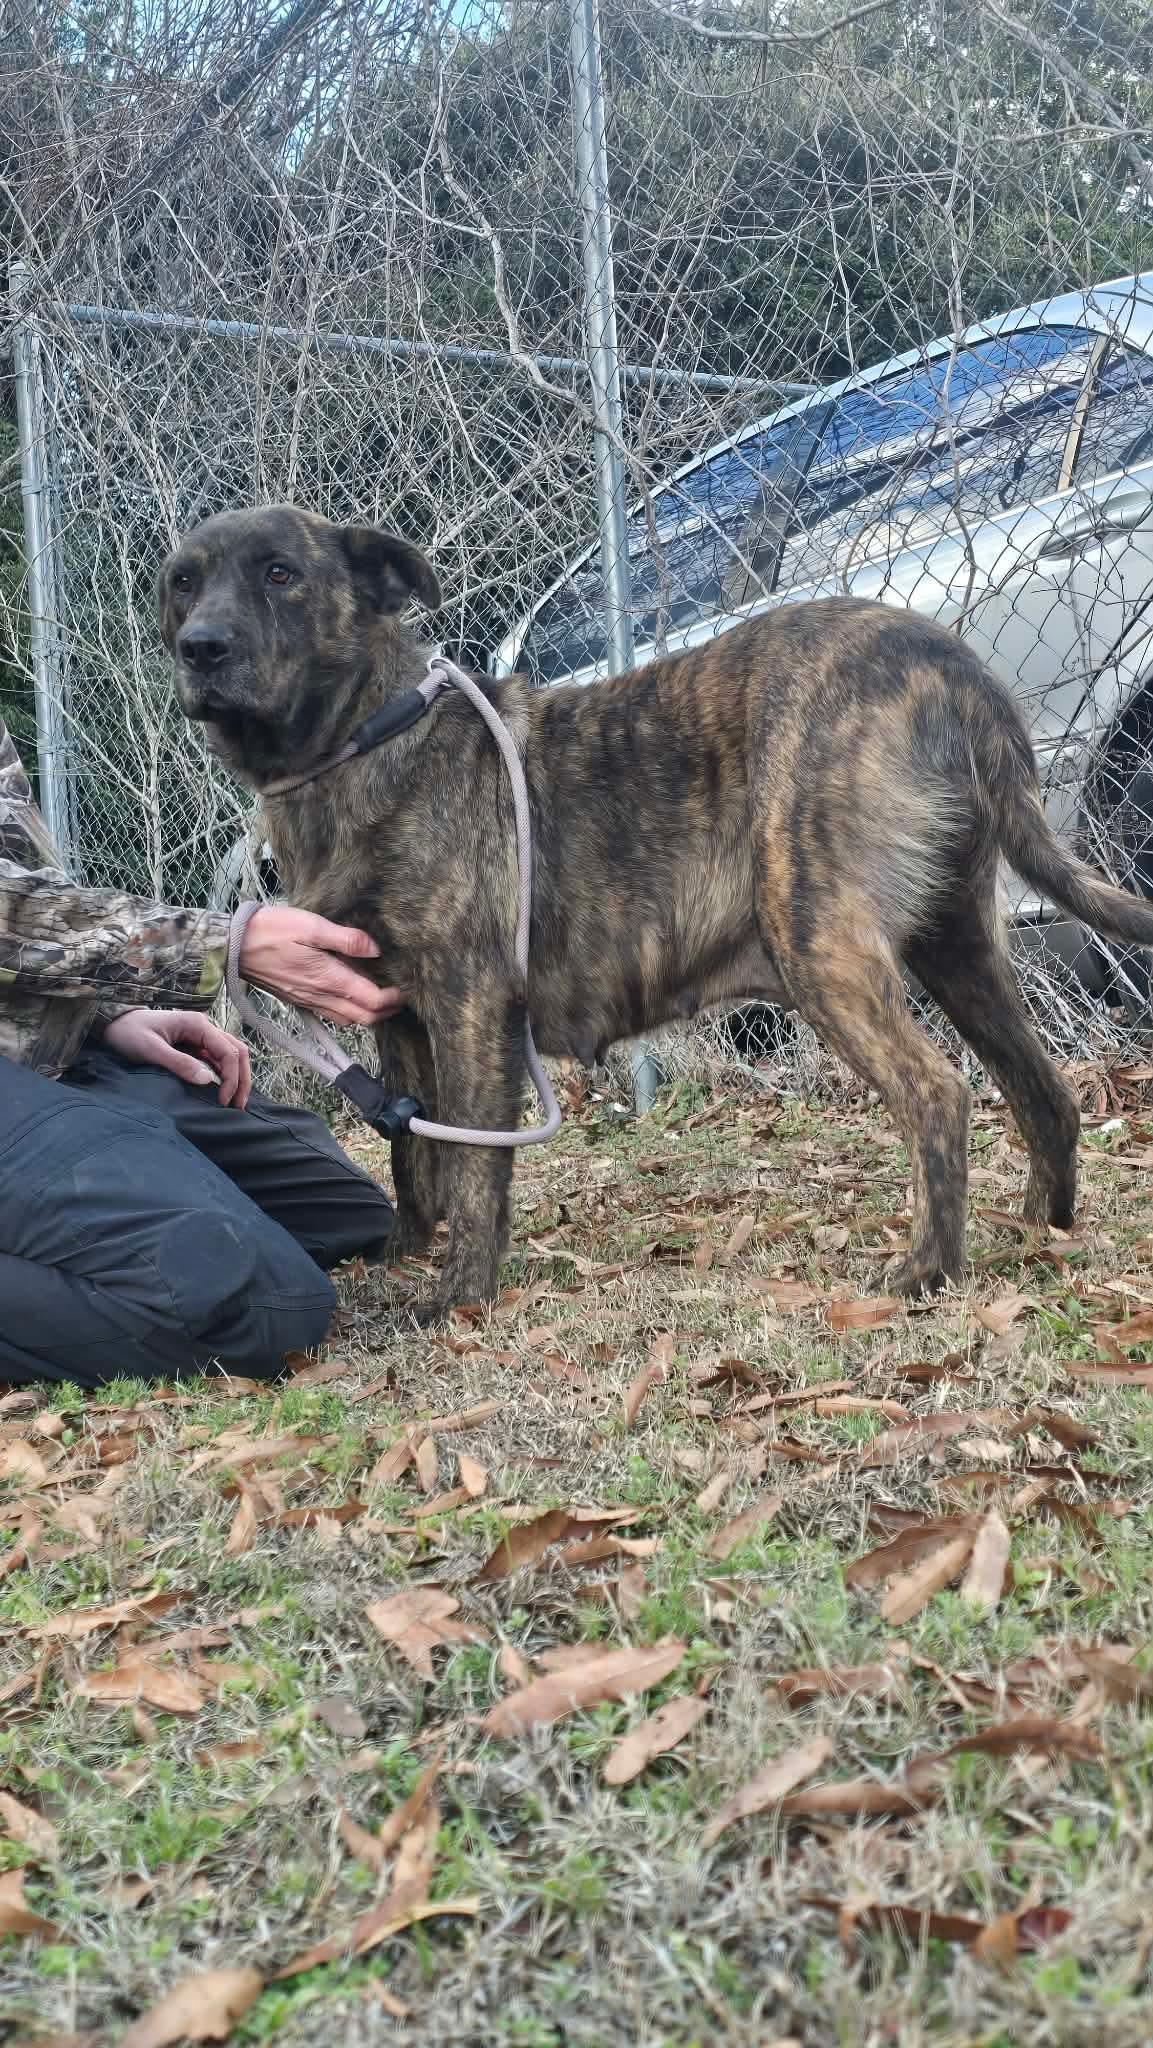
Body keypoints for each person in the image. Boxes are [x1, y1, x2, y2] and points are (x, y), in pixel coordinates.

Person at [0, 713, 402, 1388]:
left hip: (46, 1061)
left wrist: (104, 1015)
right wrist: (218, 945)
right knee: (258, 1311)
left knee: (344, 1213)